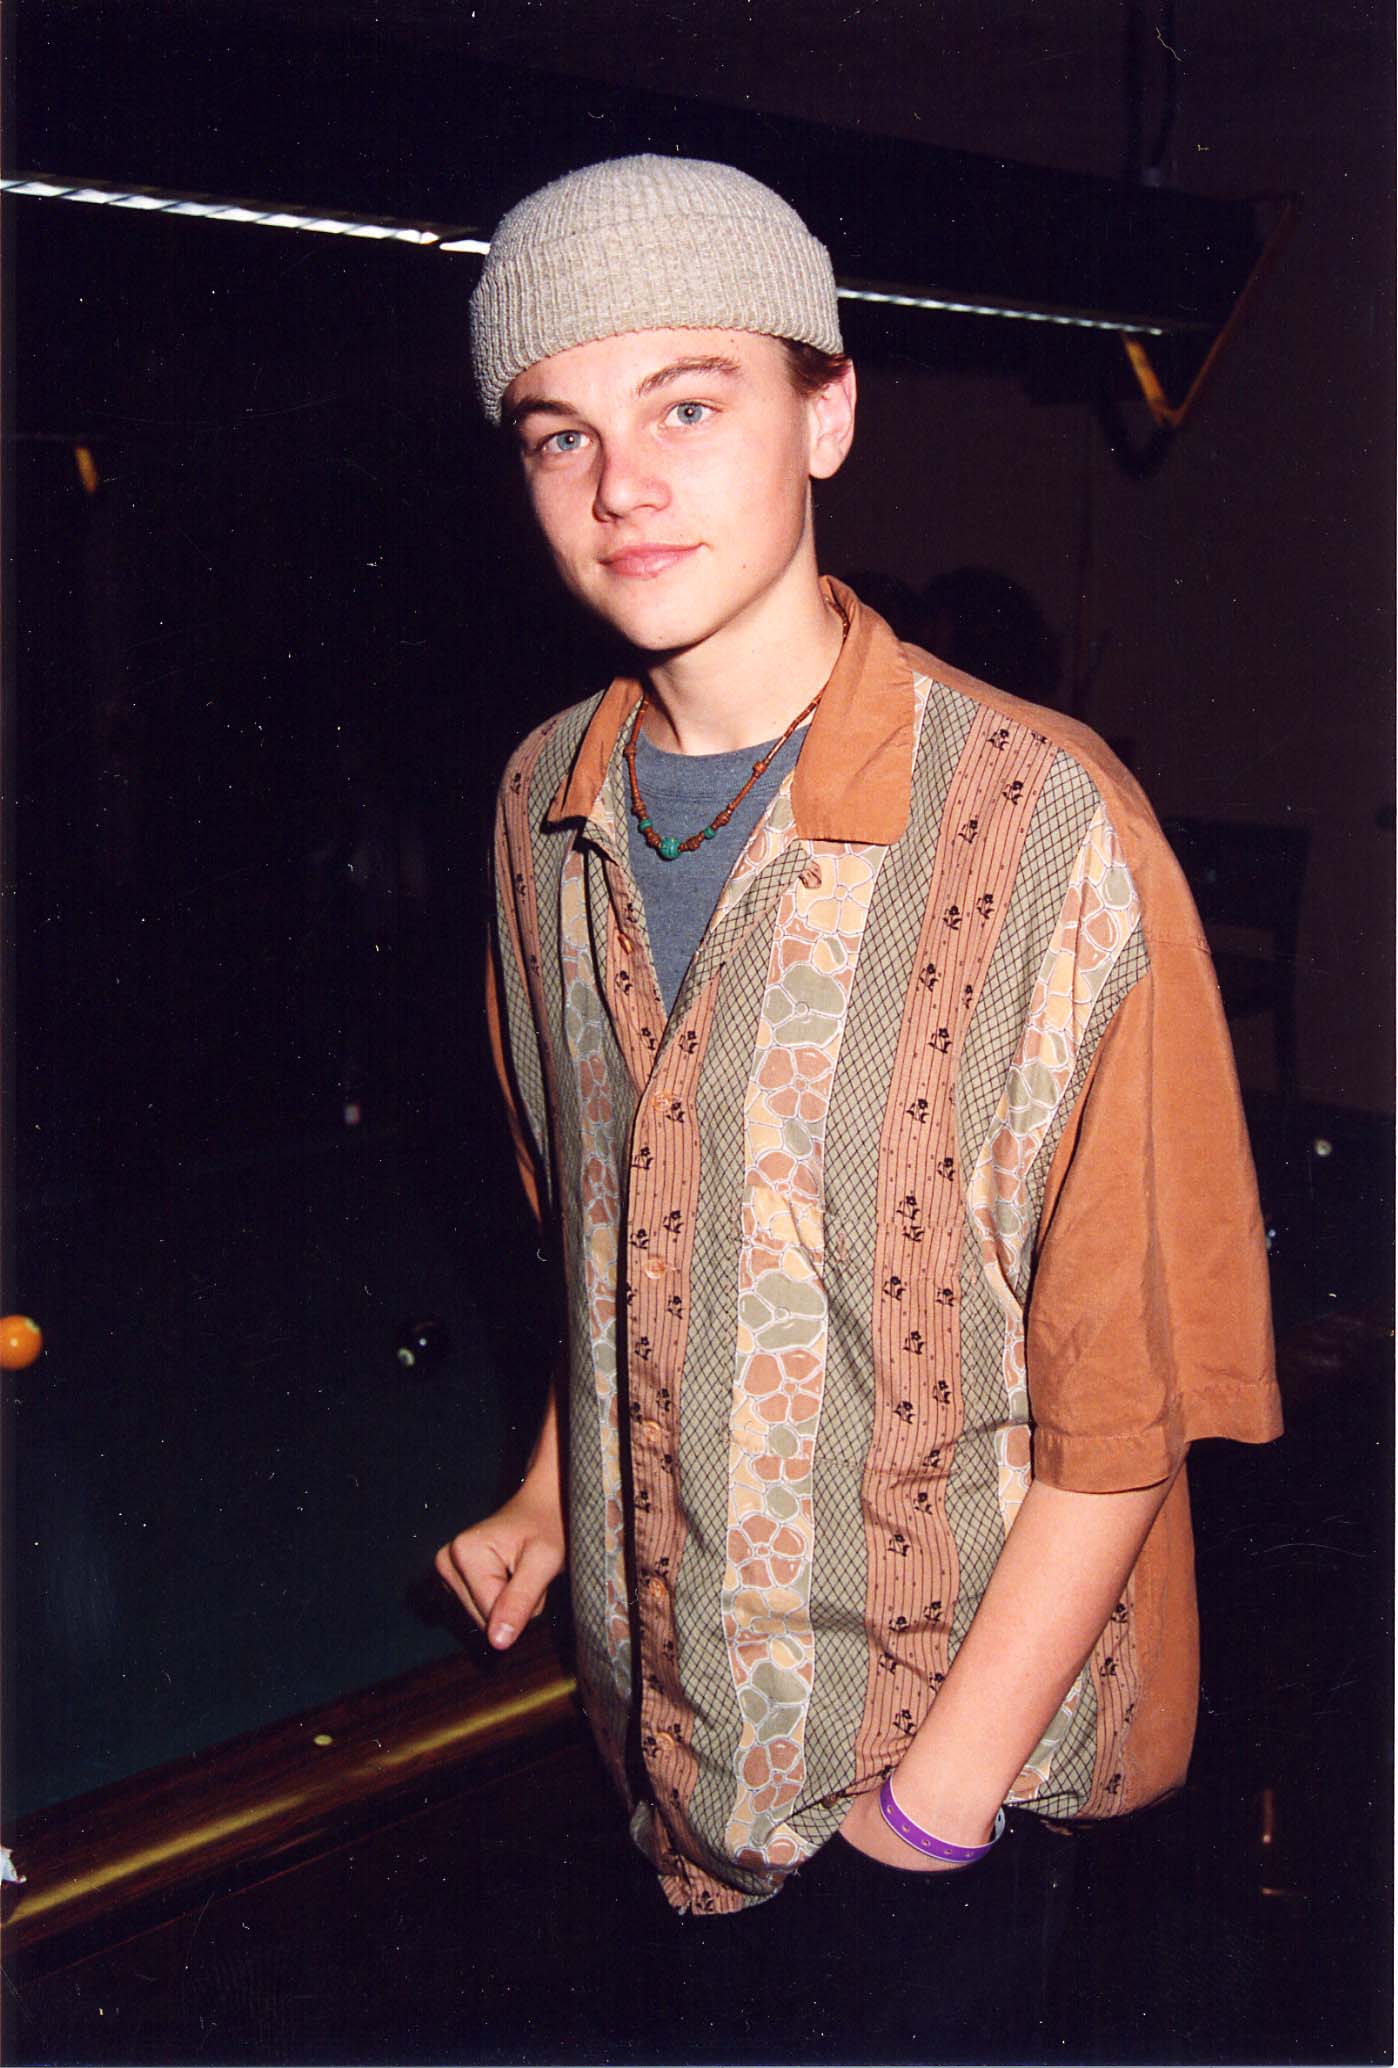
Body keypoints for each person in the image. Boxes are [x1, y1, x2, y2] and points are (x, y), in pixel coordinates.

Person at [436, 154, 1282, 2060]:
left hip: (923, 1791)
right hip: (662, 1735)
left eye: (688, 402)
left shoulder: (1047, 824)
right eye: (557, 431)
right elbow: (613, 1202)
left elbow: (1125, 1384)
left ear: (827, 410)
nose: (622, 484)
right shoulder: (536, 803)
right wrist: (550, 1494)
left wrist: (933, 1813)